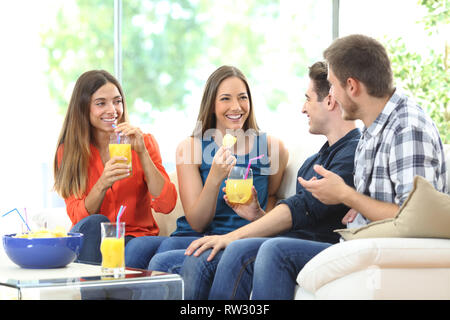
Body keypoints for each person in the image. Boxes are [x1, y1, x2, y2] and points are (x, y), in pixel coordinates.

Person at [249, 34, 447, 299]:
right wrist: (359, 204)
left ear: (351, 86)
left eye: (332, 86)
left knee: (274, 252)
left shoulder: (406, 128)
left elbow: (416, 219)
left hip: (380, 252)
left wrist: (346, 194)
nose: (331, 96)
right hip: (359, 244)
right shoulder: (372, 129)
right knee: (268, 248)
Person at [178, 61, 361, 299]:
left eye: (307, 98)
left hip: (325, 246)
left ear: (329, 101)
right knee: (201, 256)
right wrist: (258, 215)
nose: (303, 109)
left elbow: (302, 209)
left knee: (237, 251)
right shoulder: (313, 161)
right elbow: (298, 219)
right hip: (293, 241)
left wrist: (230, 237)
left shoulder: (353, 153)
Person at [147, 65, 289, 273]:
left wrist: (254, 225)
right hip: (196, 233)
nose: (236, 106)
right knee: (148, 250)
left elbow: (272, 197)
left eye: (242, 97)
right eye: (225, 99)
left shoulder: (272, 148)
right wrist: (214, 177)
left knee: (163, 262)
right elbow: (197, 223)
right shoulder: (191, 147)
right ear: (211, 105)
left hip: (239, 239)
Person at [53, 70, 177, 269]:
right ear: (83, 108)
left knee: (134, 250)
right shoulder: (69, 152)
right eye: (101, 103)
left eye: (117, 101)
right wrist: (102, 183)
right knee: (94, 224)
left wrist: (143, 153)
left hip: (138, 238)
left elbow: (167, 203)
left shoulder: (143, 142)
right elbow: (78, 219)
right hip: (94, 242)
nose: (113, 110)